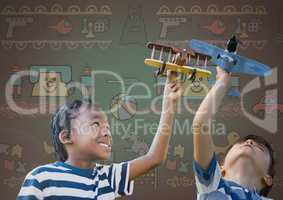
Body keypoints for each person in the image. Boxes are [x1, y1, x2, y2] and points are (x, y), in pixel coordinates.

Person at [17, 71, 184, 199]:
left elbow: (154, 158)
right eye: (95, 124)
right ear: (66, 137)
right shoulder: (41, 177)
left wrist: (169, 105)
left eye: (108, 127)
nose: (107, 132)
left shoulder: (108, 177)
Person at [192, 67, 275, 199]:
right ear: (221, 169)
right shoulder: (212, 184)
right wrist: (222, 81)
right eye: (241, 143)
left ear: (268, 178)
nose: (249, 142)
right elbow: (201, 124)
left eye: (260, 148)